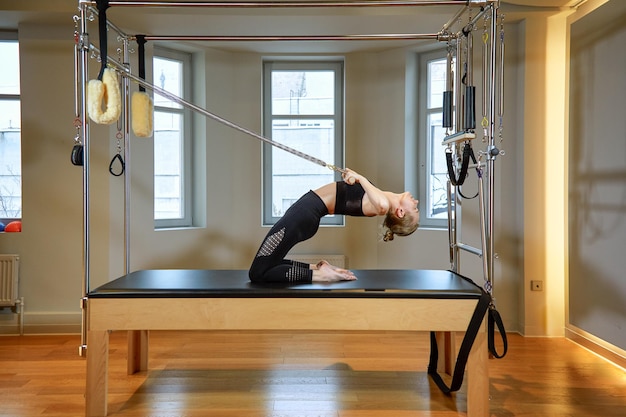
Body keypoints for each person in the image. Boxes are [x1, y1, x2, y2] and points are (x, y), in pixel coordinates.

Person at [248, 168, 420, 284]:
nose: (416, 202)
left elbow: (382, 206)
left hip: (302, 216)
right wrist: (355, 178)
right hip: (303, 215)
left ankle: (319, 275)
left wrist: (360, 178)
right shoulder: (379, 196)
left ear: (400, 213)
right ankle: (317, 268)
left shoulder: (381, 204)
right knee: (271, 262)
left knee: (258, 272)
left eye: (415, 208)